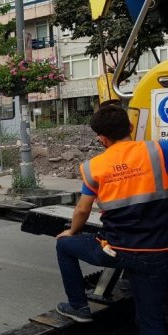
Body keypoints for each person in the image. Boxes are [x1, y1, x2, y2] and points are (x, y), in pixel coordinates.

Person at [55, 104, 168, 334]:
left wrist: (72, 231)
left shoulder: (93, 167)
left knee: (64, 245)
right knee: (151, 322)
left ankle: (79, 307)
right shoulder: (161, 150)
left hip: (117, 250)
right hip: (158, 251)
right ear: (131, 127)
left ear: (103, 140)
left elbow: (82, 211)